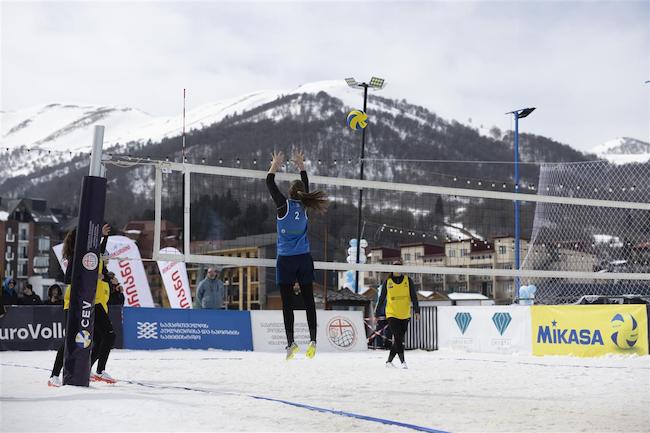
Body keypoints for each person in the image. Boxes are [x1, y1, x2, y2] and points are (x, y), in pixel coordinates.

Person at [266, 149, 328, 360]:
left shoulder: (282, 206)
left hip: (286, 261)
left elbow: (269, 183)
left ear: (290, 193)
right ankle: (313, 340)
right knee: (309, 300)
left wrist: (275, 165)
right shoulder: (304, 206)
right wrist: (301, 165)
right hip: (303, 258)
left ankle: (290, 343)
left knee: (287, 304)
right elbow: (306, 185)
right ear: (302, 194)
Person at [48, 224, 116, 387]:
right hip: (74, 302)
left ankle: (97, 370)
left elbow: (100, 252)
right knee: (70, 339)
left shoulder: (92, 255)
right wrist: (92, 276)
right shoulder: (77, 255)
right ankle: (54, 376)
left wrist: (104, 236)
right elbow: (68, 280)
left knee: (108, 336)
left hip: (91, 302)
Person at [375, 260, 420, 369]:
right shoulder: (388, 281)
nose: (397, 270)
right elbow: (382, 298)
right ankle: (403, 362)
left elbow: (414, 296)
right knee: (398, 338)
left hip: (405, 313)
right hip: (392, 313)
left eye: (399, 267)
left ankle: (388, 362)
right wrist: (377, 312)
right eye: (395, 268)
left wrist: (417, 311)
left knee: (399, 338)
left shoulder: (408, 280)